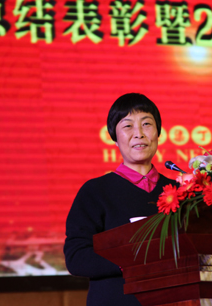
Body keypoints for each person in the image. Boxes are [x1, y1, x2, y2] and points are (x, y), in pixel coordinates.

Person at [64, 93, 176, 306]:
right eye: (128, 126)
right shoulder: (95, 192)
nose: (139, 134)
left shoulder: (180, 191)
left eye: (147, 124)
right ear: (114, 137)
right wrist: (131, 259)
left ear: (158, 132)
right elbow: (76, 258)